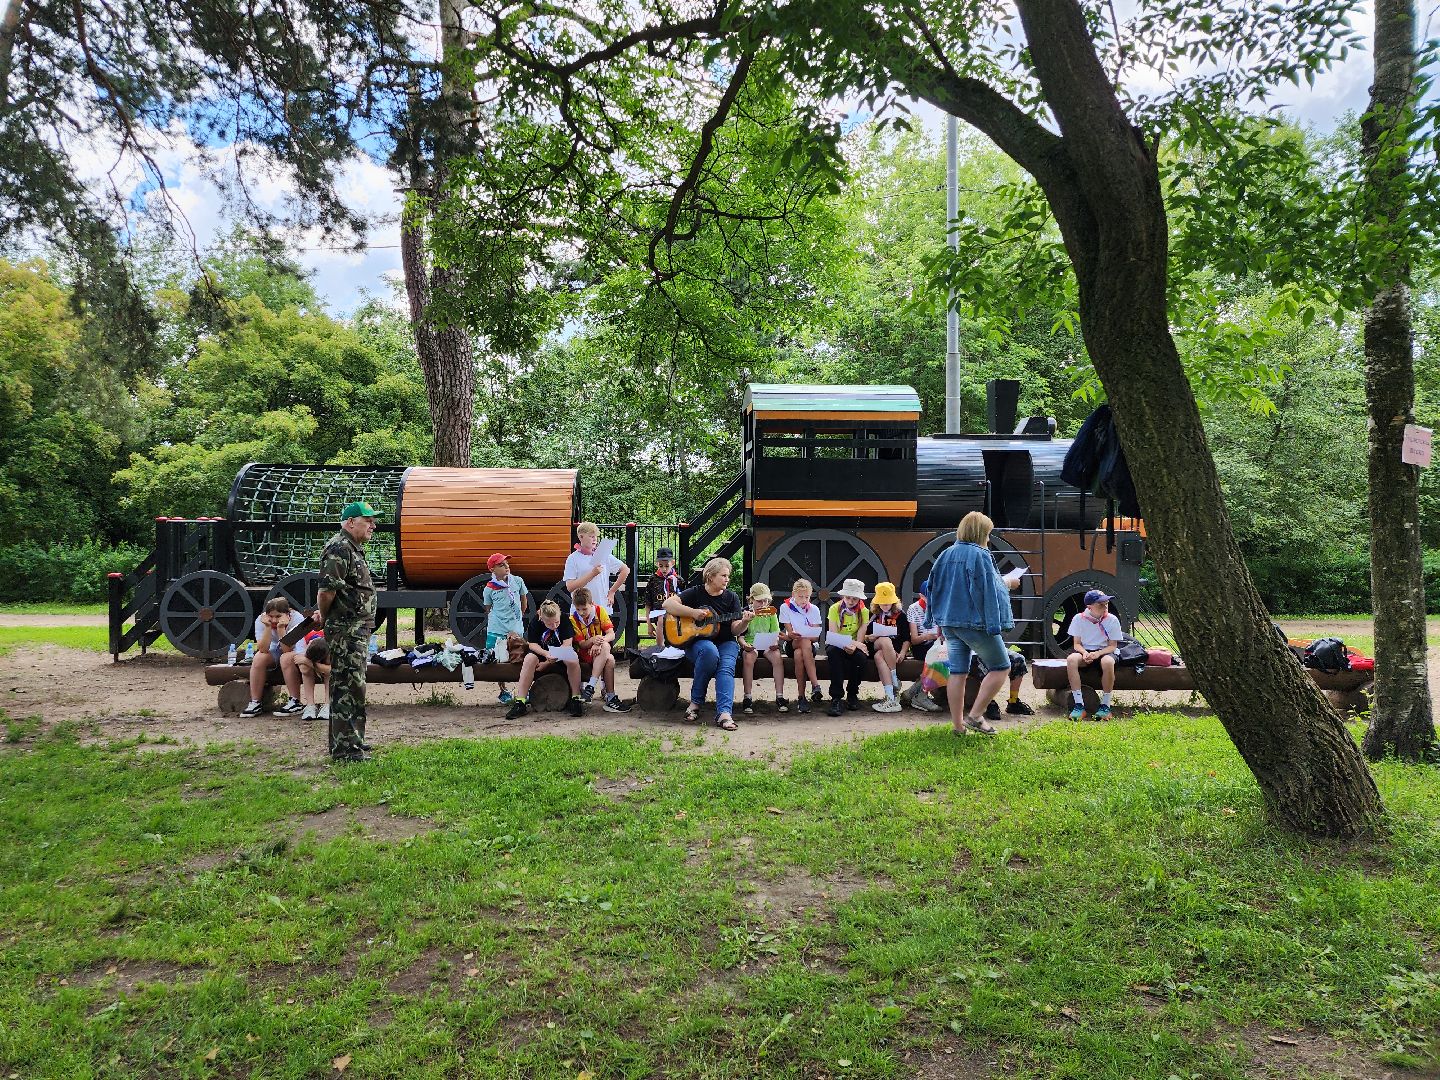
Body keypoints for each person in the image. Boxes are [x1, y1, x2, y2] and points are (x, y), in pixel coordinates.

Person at [923, 511, 1023, 736]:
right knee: (1001, 666)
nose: (989, 538)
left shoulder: (945, 554)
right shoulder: (980, 554)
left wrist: (934, 617)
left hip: (950, 622)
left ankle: (958, 727)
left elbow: (932, 587)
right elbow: (989, 589)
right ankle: (976, 715)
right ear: (981, 533)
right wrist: (1008, 582)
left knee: (958, 672)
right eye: (988, 533)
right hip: (974, 623)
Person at [316, 500, 381, 762]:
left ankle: (353, 741)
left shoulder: (352, 548)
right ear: (350, 522)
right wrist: (324, 617)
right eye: (368, 521)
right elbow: (327, 591)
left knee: (354, 686)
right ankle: (345, 750)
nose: (373, 526)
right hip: (346, 631)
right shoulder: (339, 548)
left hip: (355, 629)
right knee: (347, 686)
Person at [662, 556, 752, 731]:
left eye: (728, 576)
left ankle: (724, 713)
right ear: (710, 576)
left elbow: (734, 630)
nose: (727, 579)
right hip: (698, 642)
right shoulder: (696, 592)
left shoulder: (732, 597)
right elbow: (668, 604)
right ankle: (696, 702)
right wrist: (693, 613)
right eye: (723, 575)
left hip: (726, 641)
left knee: (726, 666)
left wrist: (745, 622)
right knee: (710, 653)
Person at [505, 600, 585, 719]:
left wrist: (548, 662)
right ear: (541, 618)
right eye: (549, 624)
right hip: (542, 652)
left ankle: (576, 698)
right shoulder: (536, 622)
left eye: (556, 622)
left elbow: (567, 643)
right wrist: (546, 654)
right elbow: (532, 644)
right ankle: (520, 701)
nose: (554, 626)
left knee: (572, 660)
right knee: (529, 659)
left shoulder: (563, 619)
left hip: (560, 651)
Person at [240, 597, 306, 718]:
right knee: (259, 658)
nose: (274, 620)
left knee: (285, 658)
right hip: (275, 649)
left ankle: (295, 701)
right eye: (271, 616)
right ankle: (255, 702)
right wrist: (268, 627)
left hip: (295, 651)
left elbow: (287, 649)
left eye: (278, 616)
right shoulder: (262, 620)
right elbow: (263, 649)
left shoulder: (297, 619)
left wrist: (281, 628)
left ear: (287, 614)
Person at [569, 587, 631, 713]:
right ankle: (610, 697)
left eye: (584, 609)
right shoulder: (573, 619)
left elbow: (611, 634)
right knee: (609, 655)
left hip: (600, 651)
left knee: (609, 656)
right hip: (585, 654)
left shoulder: (599, 610)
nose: (581, 612)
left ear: (592, 604)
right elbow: (581, 644)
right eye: (578, 609)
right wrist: (593, 641)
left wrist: (599, 642)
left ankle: (592, 688)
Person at [564, 522, 630, 634]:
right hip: (580, 612)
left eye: (596, 536)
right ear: (581, 537)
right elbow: (570, 587)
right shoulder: (573, 558)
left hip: (602, 609)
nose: (594, 539)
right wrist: (592, 574)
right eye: (591, 536)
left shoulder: (604, 555)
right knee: (581, 647)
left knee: (604, 643)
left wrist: (612, 591)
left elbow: (625, 570)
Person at [1065, 589, 1121, 720]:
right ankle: (1079, 705)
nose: (1105, 607)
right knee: (1071, 659)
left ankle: (1105, 706)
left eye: (1106, 603)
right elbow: (1076, 644)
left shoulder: (1112, 619)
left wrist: (1097, 654)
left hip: (1105, 651)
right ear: (1089, 607)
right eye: (1101, 604)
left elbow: (1113, 646)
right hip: (1086, 651)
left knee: (1107, 662)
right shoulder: (1078, 619)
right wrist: (1084, 653)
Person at [481, 551, 528, 705]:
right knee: (497, 658)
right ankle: (503, 690)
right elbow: (488, 608)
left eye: (507, 564)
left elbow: (523, 599)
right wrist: (496, 620)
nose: (506, 567)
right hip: (497, 627)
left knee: (519, 655)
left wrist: (519, 616)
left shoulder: (518, 581)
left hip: (514, 625)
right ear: (492, 569)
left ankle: (523, 690)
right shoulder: (489, 588)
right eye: (501, 565)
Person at [777, 578, 824, 712]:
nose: (804, 600)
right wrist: (791, 635)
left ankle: (801, 698)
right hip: (792, 643)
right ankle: (815, 685)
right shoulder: (785, 607)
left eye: (807, 597)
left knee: (800, 654)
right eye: (800, 596)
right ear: (793, 594)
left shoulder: (813, 609)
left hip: (809, 646)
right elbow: (790, 633)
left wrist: (804, 635)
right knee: (801, 643)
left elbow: (815, 637)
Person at [825, 579, 870, 716]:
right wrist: (854, 644)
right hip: (837, 643)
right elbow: (833, 634)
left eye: (854, 599)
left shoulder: (863, 611)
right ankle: (836, 697)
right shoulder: (834, 609)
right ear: (843, 597)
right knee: (833, 654)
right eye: (848, 598)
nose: (850, 601)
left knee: (860, 658)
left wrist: (854, 645)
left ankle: (852, 694)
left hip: (854, 644)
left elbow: (861, 638)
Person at [739, 582, 785, 715]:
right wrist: (744, 645)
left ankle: (780, 696)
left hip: (766, 644)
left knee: (777, 657)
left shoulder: (771, 613)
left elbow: (775, 633)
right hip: (751, 644)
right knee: (748, 658)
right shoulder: (745, 612)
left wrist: (775, 642)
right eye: (760, 601)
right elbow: (740, 636)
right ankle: (747, 697)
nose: (763, 604)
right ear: (751, 599)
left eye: (766, 600)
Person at [865, 582, 910, 713]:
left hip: (892, 652)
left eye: (888, 602)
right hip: (876, 644)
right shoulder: (873, 615)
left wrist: (902, 653)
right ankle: (895, 679)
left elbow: (907, 638)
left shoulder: (901, 616)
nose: (885, 605)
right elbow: (864, 635)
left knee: (879, 657)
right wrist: (869, 637)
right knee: (884, 640)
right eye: (882, 602)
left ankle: (890, 697)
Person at [903, 579, 944, 712]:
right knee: (938, 655)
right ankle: (921, 695)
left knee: (942, 653)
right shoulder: (913, 609)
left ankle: (912, 692)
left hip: (937, 644)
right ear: (921, 596)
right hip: (921, 646)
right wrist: (930, 636)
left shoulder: (941, 606)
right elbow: (914, 640)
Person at [644, 547, 683, 642]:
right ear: (657, 564)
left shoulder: (678, 580)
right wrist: (649, 624)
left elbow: (684, 599)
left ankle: (677, 647)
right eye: (661, 566)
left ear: (672, 563)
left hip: (675, 611)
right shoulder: (653, 580)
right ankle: (660, 647)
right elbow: (648, 602)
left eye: (667, 566)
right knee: (662, 619)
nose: (664, 569)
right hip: (658, 612)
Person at [294, 636, 330, 721]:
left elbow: (331, 670)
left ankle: (328, 704)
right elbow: (304, 670)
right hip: (314, 659)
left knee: (328, 673)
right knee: (307, 670)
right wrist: (309, 662)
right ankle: (310, 705)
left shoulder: (331, 648)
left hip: (327, 661)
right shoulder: (310, 645)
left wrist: (309, 662)